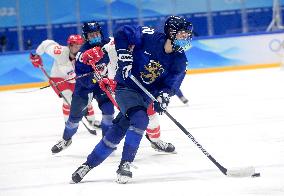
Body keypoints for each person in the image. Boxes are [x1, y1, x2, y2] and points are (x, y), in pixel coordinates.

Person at [71, 16, 193, 184]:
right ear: (171, 33)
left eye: (187, 35)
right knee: (141, 120)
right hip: (126, 88)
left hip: (144, 96)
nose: (186, 38)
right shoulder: (150, 37)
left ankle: (87, 165)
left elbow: (172, 84)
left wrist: (163, 96)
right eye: (182, 34)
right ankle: (125, 165)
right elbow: (123, 32)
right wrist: (124, 53)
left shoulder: (180, 60)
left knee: (117, 132)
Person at [49, 21, 116, 154]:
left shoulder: (109, 43)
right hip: (84, 88)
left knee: (109, 113)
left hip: (103, 85)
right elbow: (83, 79)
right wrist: (93, 78)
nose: (95, 36)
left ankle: (107, 143)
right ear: (86, 37)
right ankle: (66, 139)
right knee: (73, 119)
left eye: (96, 33)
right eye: (91, 35)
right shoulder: (82, 54)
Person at [30, 35, 100, 129]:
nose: (78, 48)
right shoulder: (59, 51)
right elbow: (46, 44)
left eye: (80, 45)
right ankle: (69, 123)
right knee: (67, 97)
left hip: (75, 79)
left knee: (85, 98)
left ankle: (92, 120)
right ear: (70, 45)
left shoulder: (86, 55)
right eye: (76, 45)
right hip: (58, 78)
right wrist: (36, 54)